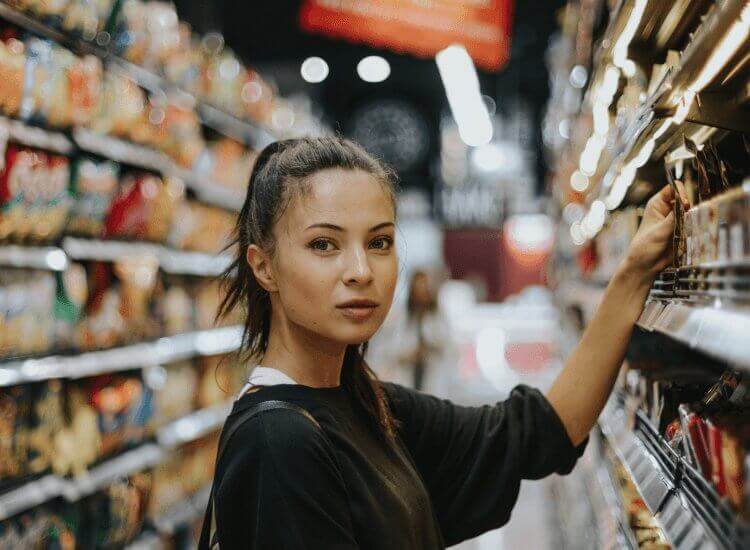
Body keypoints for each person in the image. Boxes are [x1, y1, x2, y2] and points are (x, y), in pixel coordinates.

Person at [198, 136, 677, 549]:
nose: (361, 271)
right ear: (263, 266)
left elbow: (538, 433)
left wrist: (634, 273)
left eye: (379, 242)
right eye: (324, 244)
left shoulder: (365, 403)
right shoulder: (279, 443)